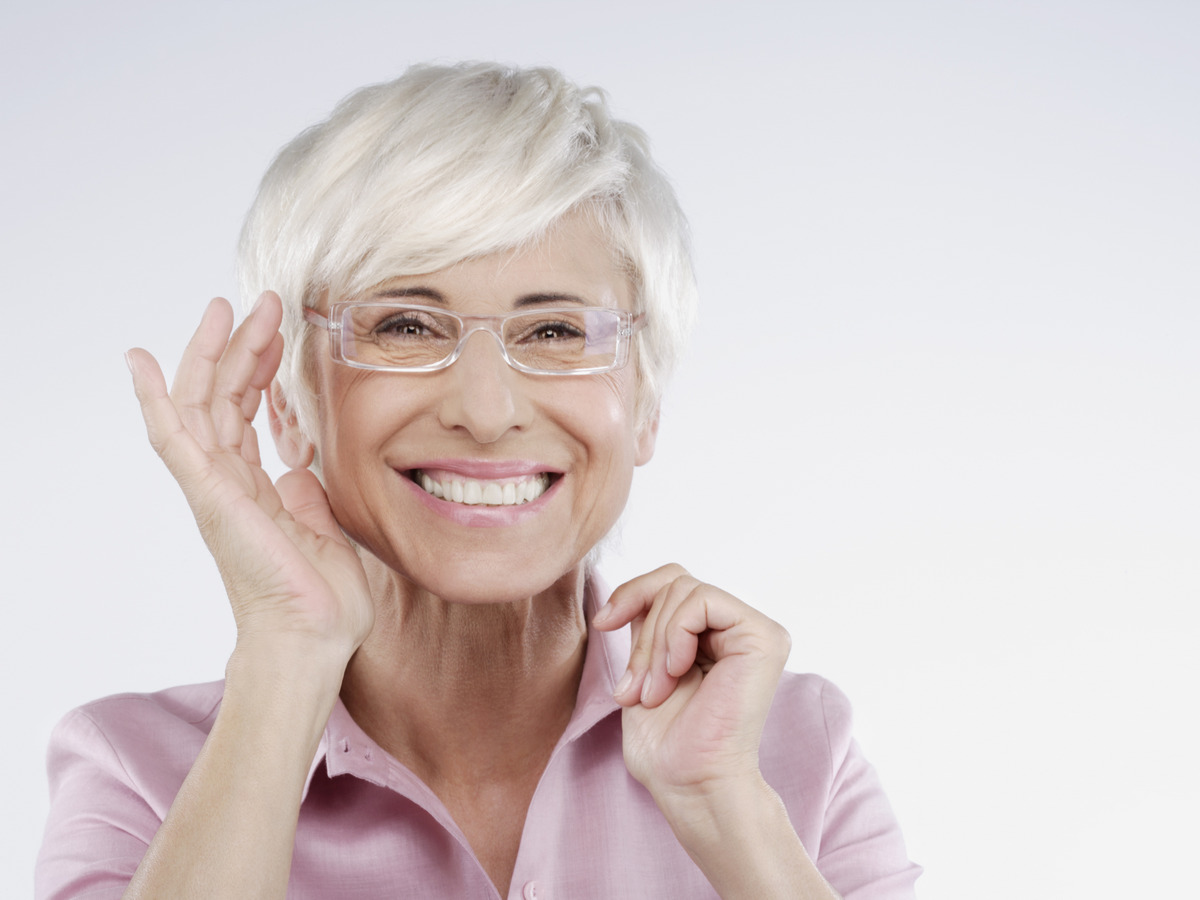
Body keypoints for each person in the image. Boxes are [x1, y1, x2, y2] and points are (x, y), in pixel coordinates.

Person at [36, 63, 921, 899]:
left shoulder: (790, 750)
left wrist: (728, 816)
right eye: (408, 326)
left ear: (645, 403)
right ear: (290, 404)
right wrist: (284, 655)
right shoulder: (136, 771)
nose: (487, 409)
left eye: (555, 334)